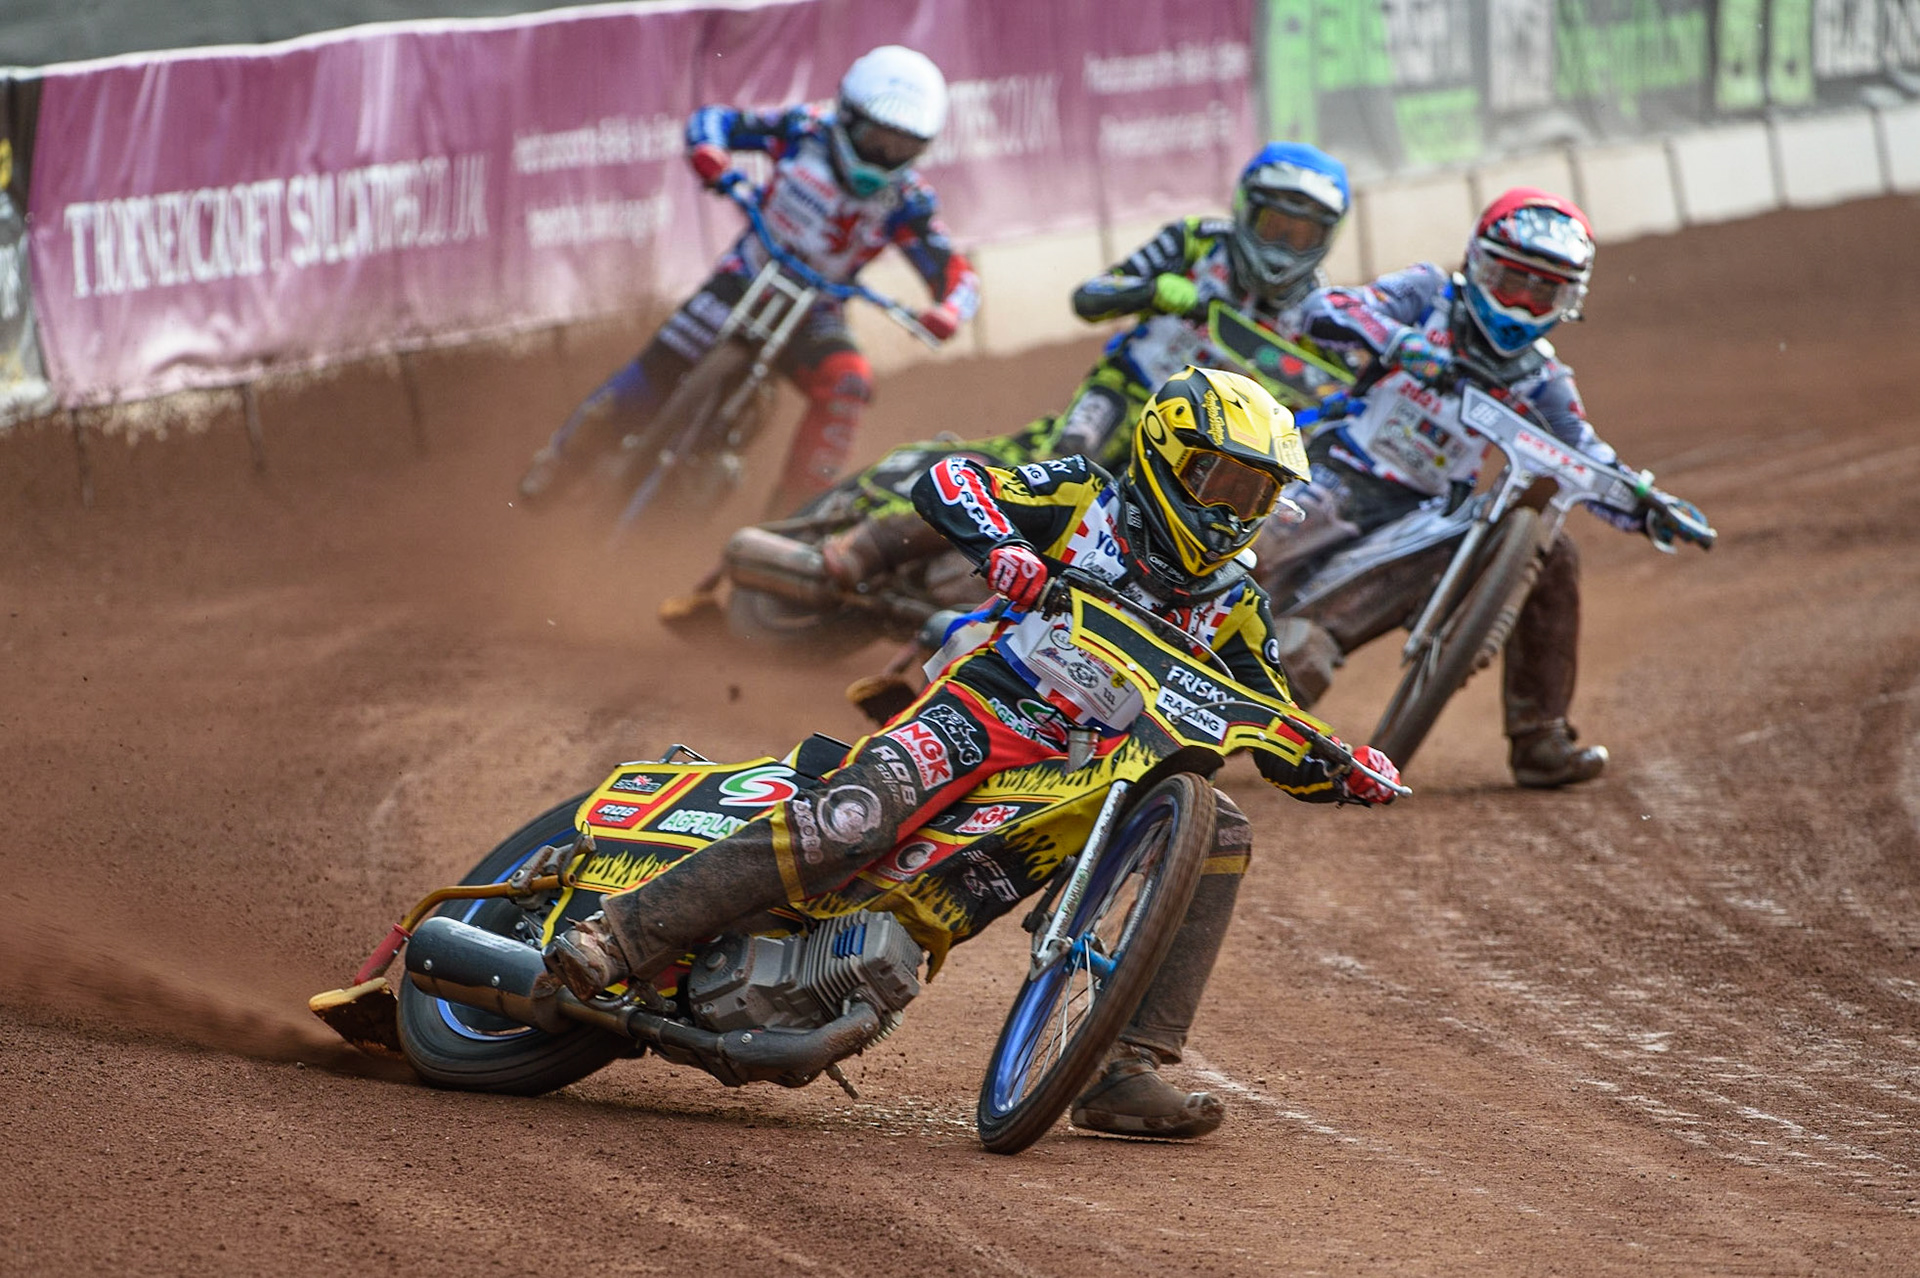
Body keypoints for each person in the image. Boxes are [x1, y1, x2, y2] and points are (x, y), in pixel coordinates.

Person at [546, 367, 1402, 1139]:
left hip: (1091, 768)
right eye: (1227, 482)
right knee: (852, 820)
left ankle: (1122, 1069)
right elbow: (949, 481)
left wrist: (1343, 764)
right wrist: (1006, 551)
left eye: (1260, 496)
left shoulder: (1237, 605)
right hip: (988, 706)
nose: (1236, 510)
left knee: (1220, 828)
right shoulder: (1085, 496)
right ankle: (619, 937)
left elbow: (1276, 723)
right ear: (1169, 457)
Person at [1277, 187, 1709, 787]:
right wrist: (1400, 343)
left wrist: (1646, 505)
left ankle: (1540, 737)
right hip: (1327, 473)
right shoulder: (1427, 295)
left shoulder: (1542, 379)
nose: (1521, 303)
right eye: (1510, 281)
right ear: (1477, 263)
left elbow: (1585, 457)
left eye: (1542, 291)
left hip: (1425, 519)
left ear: (1568, 299)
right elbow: (1326, 310)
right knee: (1232, 560)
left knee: (1549, 550)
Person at [518, 45, 980, 517]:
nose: (883, 157)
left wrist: (949, 310)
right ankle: (563, 459)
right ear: (847, 114)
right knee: (652, 373)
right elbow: (715, 120)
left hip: (816, 312)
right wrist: (710, 153)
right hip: (745, 278)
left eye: (902, 147)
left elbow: (954, 271)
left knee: (850, 383)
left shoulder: (907, 200)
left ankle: (796, 517)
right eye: (877, 139)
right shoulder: (804, 129)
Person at [1031, 142, 1354, 476]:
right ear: (1248, 209)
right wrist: (1151, 291)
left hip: (1214, 439)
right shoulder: (1194, 241)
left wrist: (1312, 411)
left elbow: (1339, 391)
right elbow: (1088, 297)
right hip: (1131, 388)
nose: (1283, 245)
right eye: (1274, 226)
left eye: (1301, 235)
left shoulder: (1320, 308)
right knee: (1071, 456)